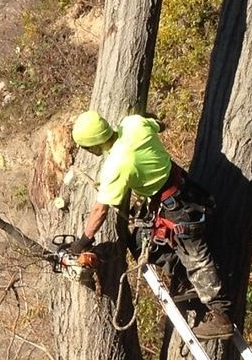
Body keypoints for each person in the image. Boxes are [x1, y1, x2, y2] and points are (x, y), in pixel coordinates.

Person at [66, 110, 235, 339]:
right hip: (184, 189)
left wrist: (83, 241)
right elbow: (158, 124)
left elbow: (100, 209)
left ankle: (221, 317)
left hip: (177, 210)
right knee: (138, 242)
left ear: (92, 145)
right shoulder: (133, 124)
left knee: (196, 258)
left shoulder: (116, 166)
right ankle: (185, 279)